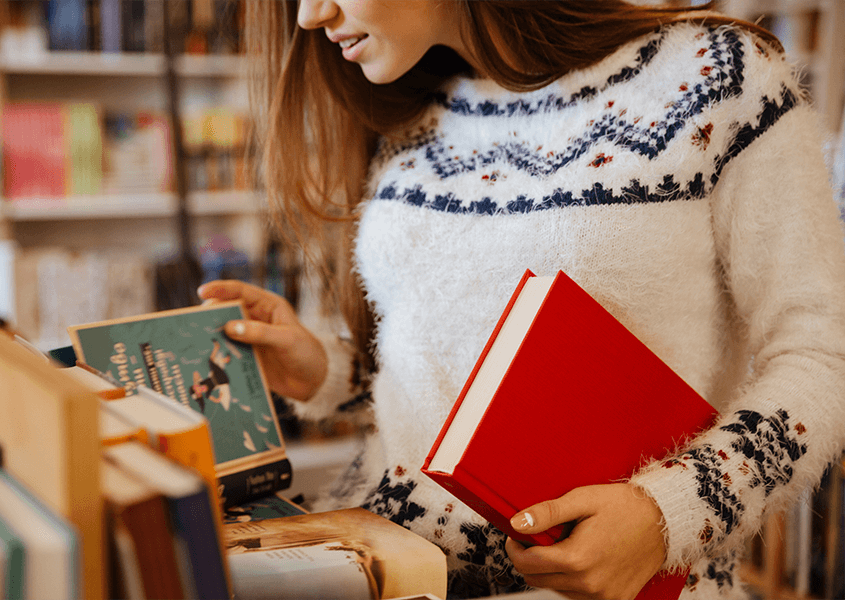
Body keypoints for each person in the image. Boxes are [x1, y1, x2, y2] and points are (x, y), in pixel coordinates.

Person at [198, 1, 845, 598]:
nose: (312, 15)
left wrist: (667, 512)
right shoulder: (414, 107)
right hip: (391, 567)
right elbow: (462, 376)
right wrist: (328, 370)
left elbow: (823, 350)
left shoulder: (714, 76)